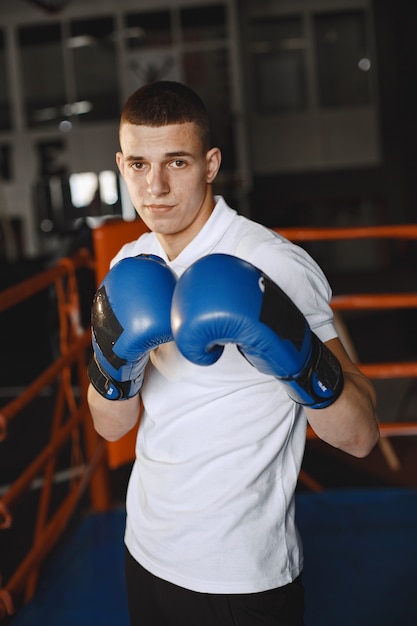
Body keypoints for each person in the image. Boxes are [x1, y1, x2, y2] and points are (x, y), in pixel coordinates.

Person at [87, 81, 379, 626]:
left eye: (176, 161)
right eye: (140, 165)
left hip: (241, 576)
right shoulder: (130, 263)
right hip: (146, 551)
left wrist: (292, 350)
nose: (156, 186)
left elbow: (361, 437)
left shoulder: (272, 262)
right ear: (121, 166)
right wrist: (114, 362)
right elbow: (110, 427)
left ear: (210, 163)